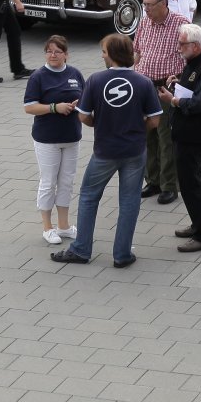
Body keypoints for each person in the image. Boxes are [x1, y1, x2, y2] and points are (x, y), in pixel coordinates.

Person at [50, 33, 161, 268]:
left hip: (105, 150)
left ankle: (81, 250)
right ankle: (122, 254)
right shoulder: (144, 82)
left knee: (89, 196)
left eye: (103, 52)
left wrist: (98, 124)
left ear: (112, 55)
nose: (102, 56)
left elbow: (83, 116)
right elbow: (154, 120)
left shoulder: (96, 80)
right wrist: (136, 129)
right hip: (134, 150)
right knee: (129, 201)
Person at [158, 23, 201, 252]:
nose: (178, 47)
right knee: (188, 182)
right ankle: (199, 223)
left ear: (195, 46)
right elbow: (193, 87)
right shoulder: (195, 62)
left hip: (195, 135)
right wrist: (179, 82)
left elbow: (200, 103)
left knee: (191, 183)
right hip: (187, 131)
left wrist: (173, 100)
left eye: (182, 44)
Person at [23, 36, 85, 245]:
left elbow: (86, 98)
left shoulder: (75, 73)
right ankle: (47, 227)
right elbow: (29, 107)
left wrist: (79, 104)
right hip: (47, 139)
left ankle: (64, 226)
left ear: (66, 54)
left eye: (58, 51)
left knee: (66, 182)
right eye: (49, 51)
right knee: (49, 182)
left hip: (71, 137)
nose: (53, 55)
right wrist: (54, 107)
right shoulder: (38, 77)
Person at [134, 0, 186, 206]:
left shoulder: (180, 24)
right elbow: (137, 51)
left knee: (166, 137)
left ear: (163, 3)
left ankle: (169, 185)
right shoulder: (144, 22)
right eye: (144, 5)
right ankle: (153, 180)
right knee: (147, 135)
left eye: (150, 5)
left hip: (165, 87)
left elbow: (192, 55)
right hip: (144, 87)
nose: (146, 9)